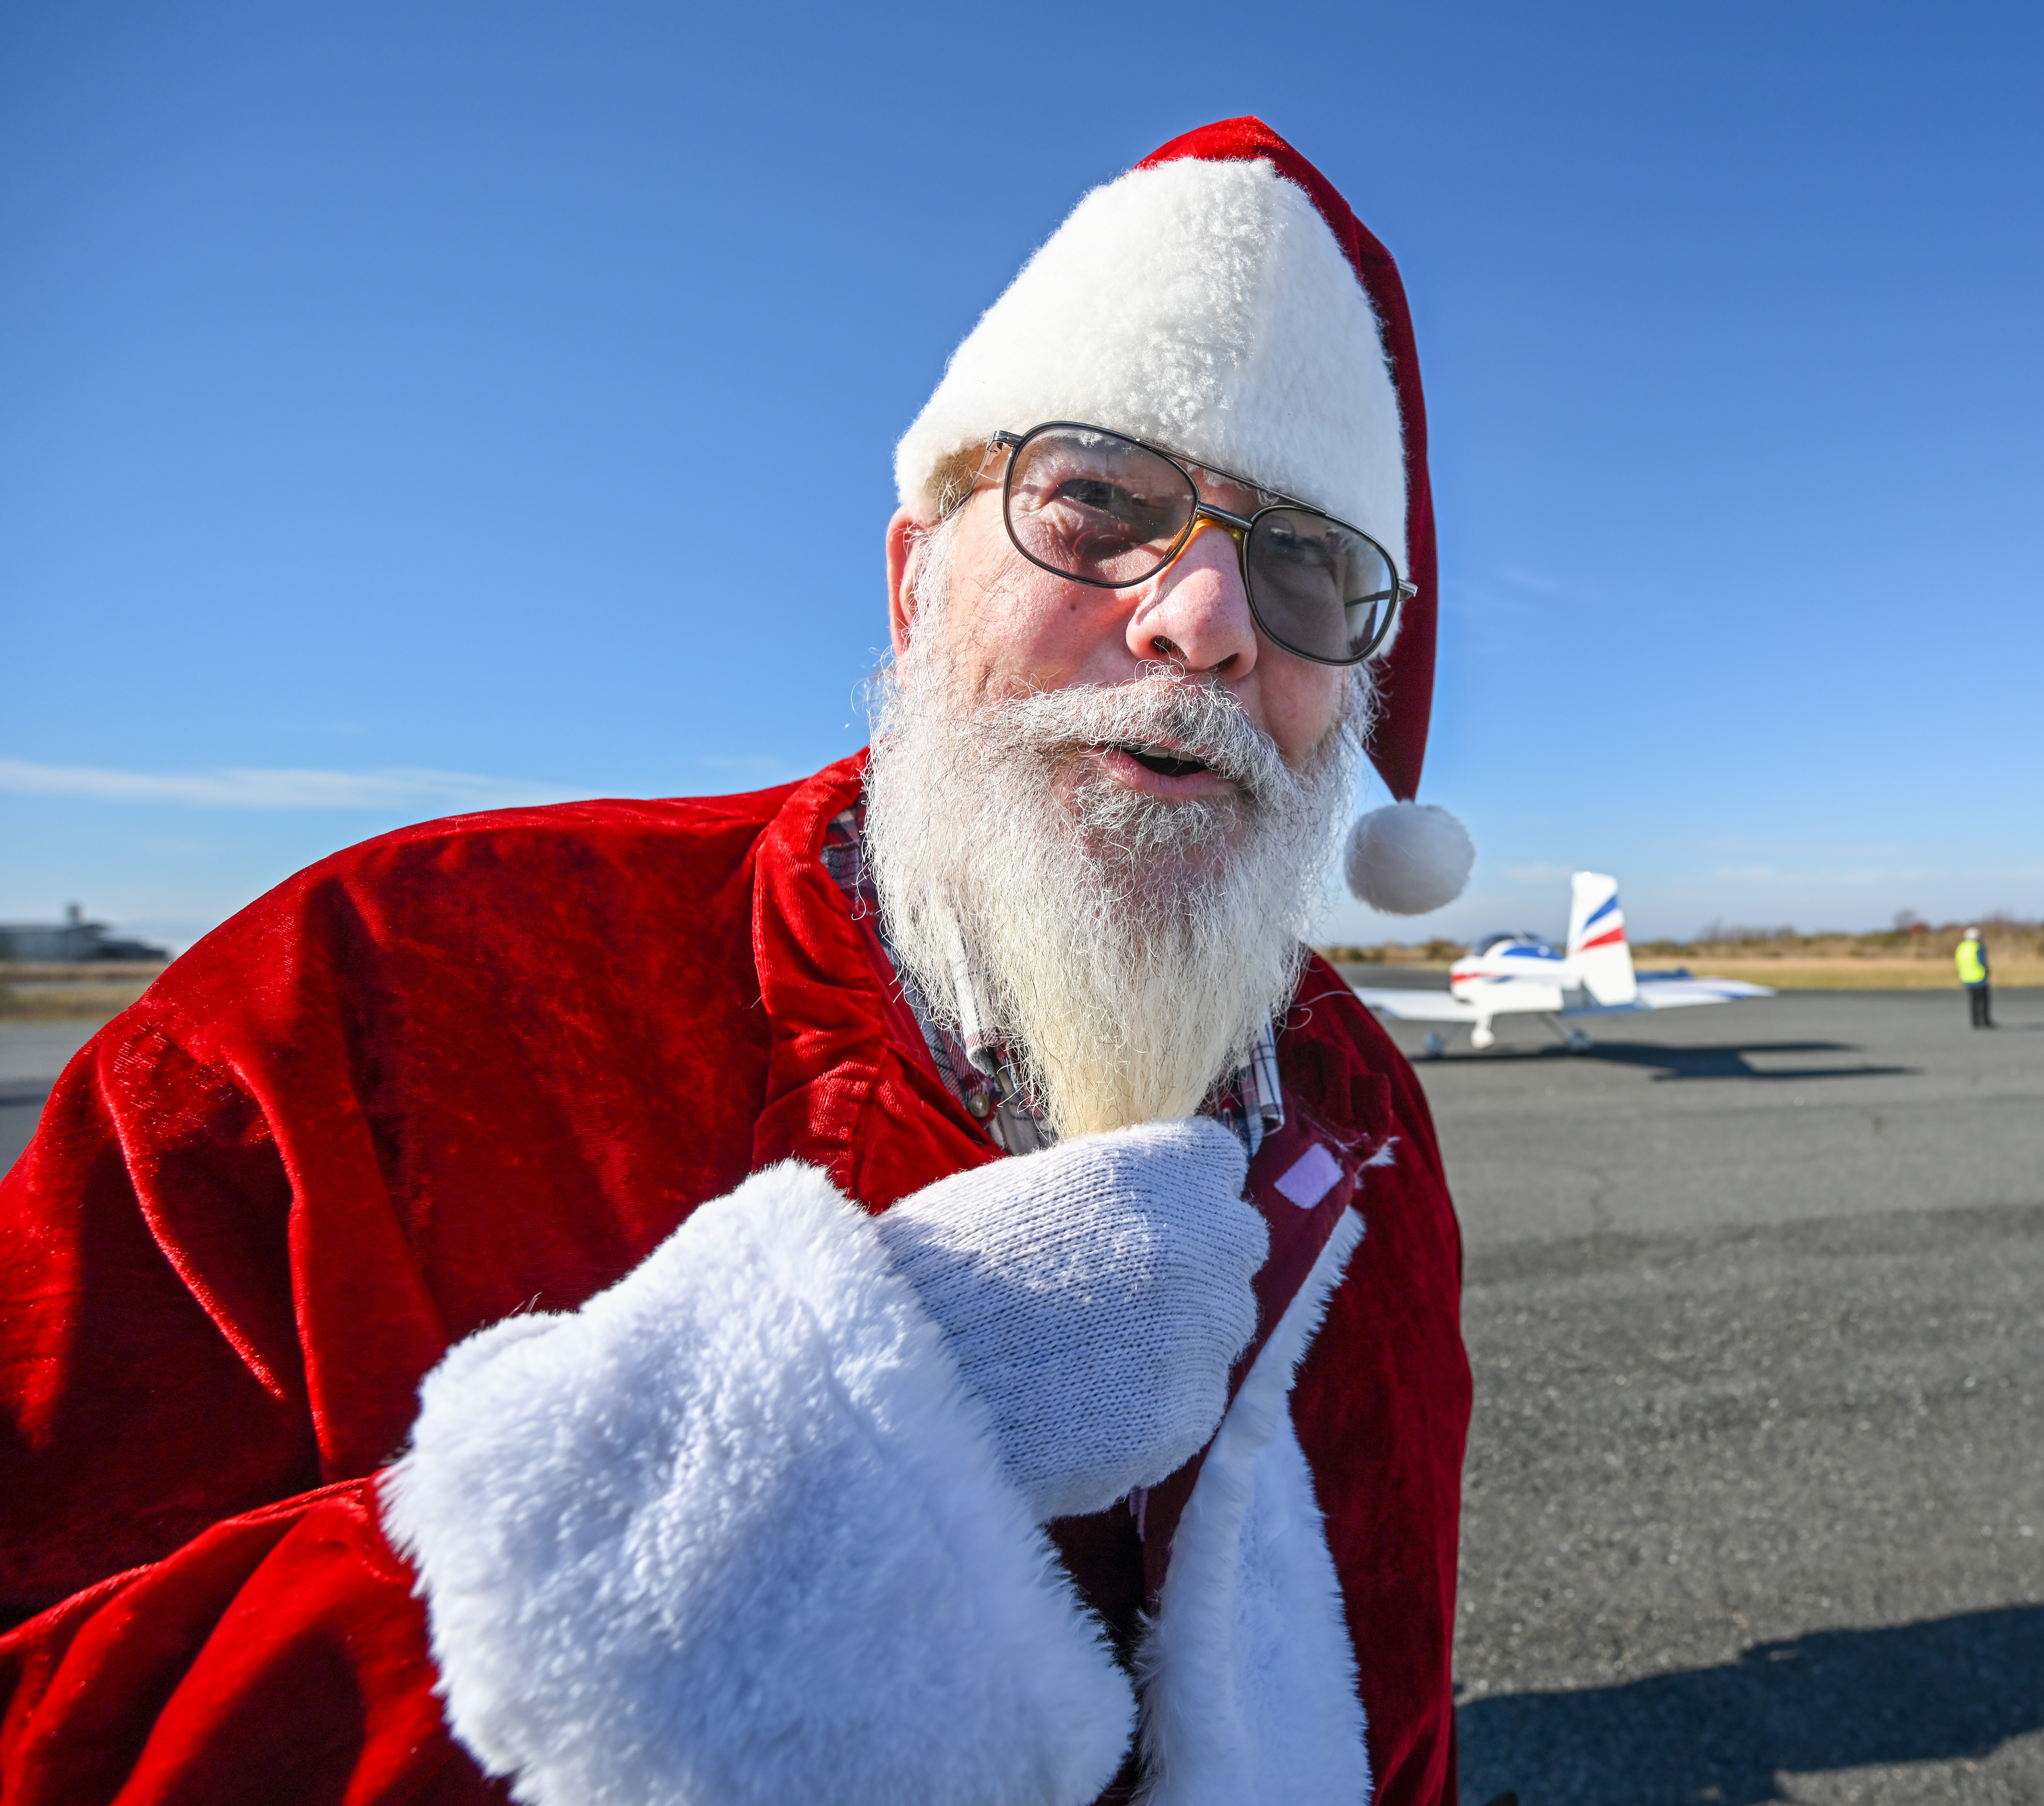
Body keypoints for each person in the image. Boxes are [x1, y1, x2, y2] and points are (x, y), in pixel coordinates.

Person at [0, 119, 1479, 1806]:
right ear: (918, 579)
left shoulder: (1359, 1114)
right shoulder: (368, 998)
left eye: (1306, 561)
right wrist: (811, 1455)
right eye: (1096, 502)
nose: (1202, 618)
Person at [1958, 925, 1995, 1028]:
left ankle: (1975, 1022)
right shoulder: (1978, 947)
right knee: (1984, 1000)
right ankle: (1986, 1021)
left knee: (1973, 1001)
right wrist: (1987, 971)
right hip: (1979, 977)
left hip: (1966, 977)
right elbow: (1982, 961)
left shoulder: (1962, 947)